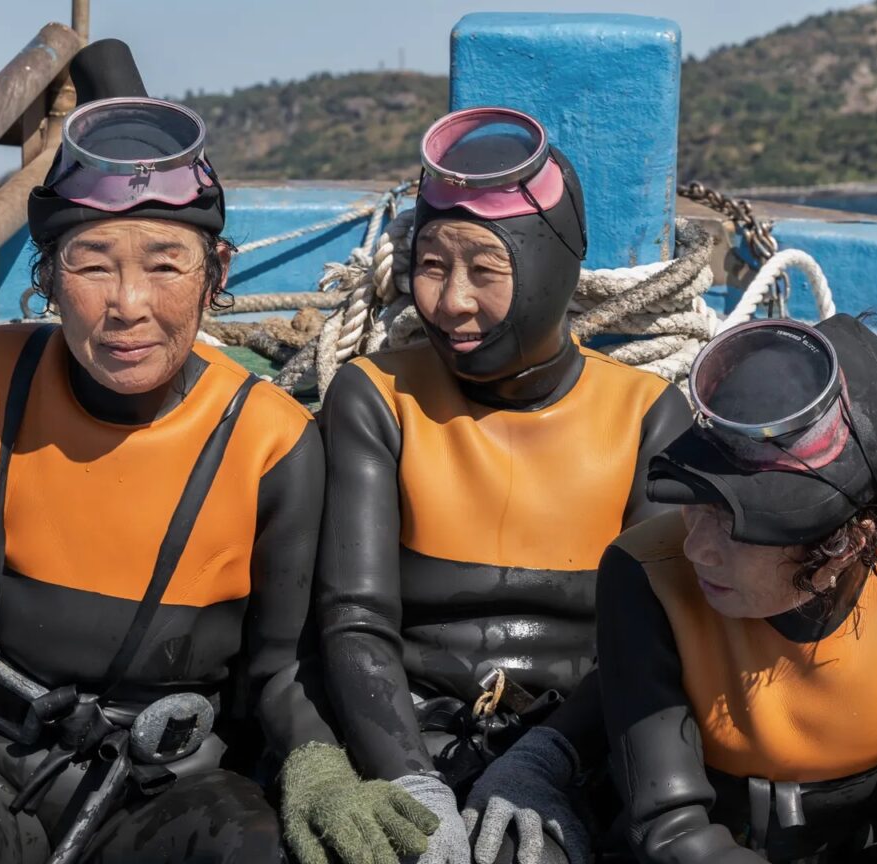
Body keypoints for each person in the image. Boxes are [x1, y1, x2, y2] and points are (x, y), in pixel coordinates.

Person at [0, 40, 435, 864]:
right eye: (92, 264)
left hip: (169, 787)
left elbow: (282, 666)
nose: (128, 304)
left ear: (214, 273)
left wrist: (318, 766)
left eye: (165, 265)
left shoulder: (270, 442)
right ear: (49, 278)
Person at [316, 106, 692, 864]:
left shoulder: (646, 416)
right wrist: (411, 783)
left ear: (553, 264)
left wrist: (545, 762)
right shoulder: (378, 398)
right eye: (432, 266)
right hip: (413, 735)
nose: (452, 302)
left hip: (581, 743)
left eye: (485, 271)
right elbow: (354, 620)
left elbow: (653, 643)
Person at [596, 314, 877, 864]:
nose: (696, 548)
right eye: (695, 501)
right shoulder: (644, 575)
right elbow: (670, 826)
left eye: (736, 527)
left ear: (848, 544)